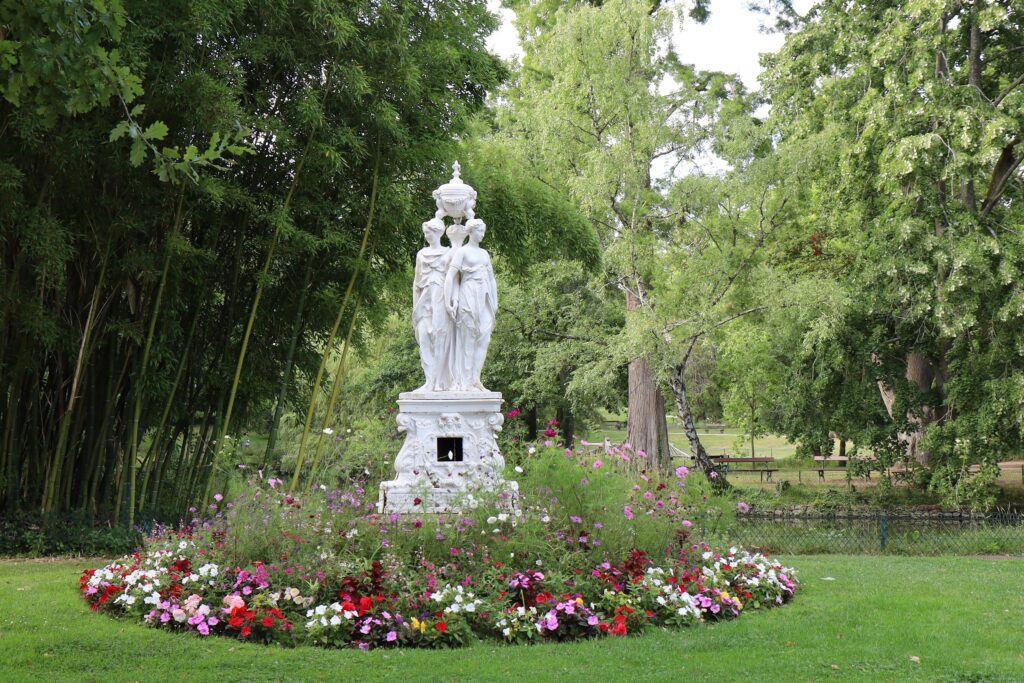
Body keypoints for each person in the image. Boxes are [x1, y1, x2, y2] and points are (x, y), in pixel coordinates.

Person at [444, 219, 497, 391]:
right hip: (468, 293)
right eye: (480, 231)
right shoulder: (462, 252)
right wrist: (448, 300)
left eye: (483, 231)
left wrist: (494, 303)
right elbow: (450, 277)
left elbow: (491, 279)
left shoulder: (484, 254)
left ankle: (475, 378)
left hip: (484, 295)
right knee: (468, 337)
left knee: (484, 336)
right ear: (471, 231)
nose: (482, 234)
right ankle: (465, 382)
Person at [411, 218, 451, 391]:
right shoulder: (421, 254)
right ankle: (429, 381)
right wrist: (415, 306)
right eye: (425, 233)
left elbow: (454, 280)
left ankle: (439, 381)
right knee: (424, 337)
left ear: (438, 233)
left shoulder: (449, 253)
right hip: (424, 300)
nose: (426, 236)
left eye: (428, 233)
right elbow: (416, 281)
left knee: (439, 337)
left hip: (441, 299)